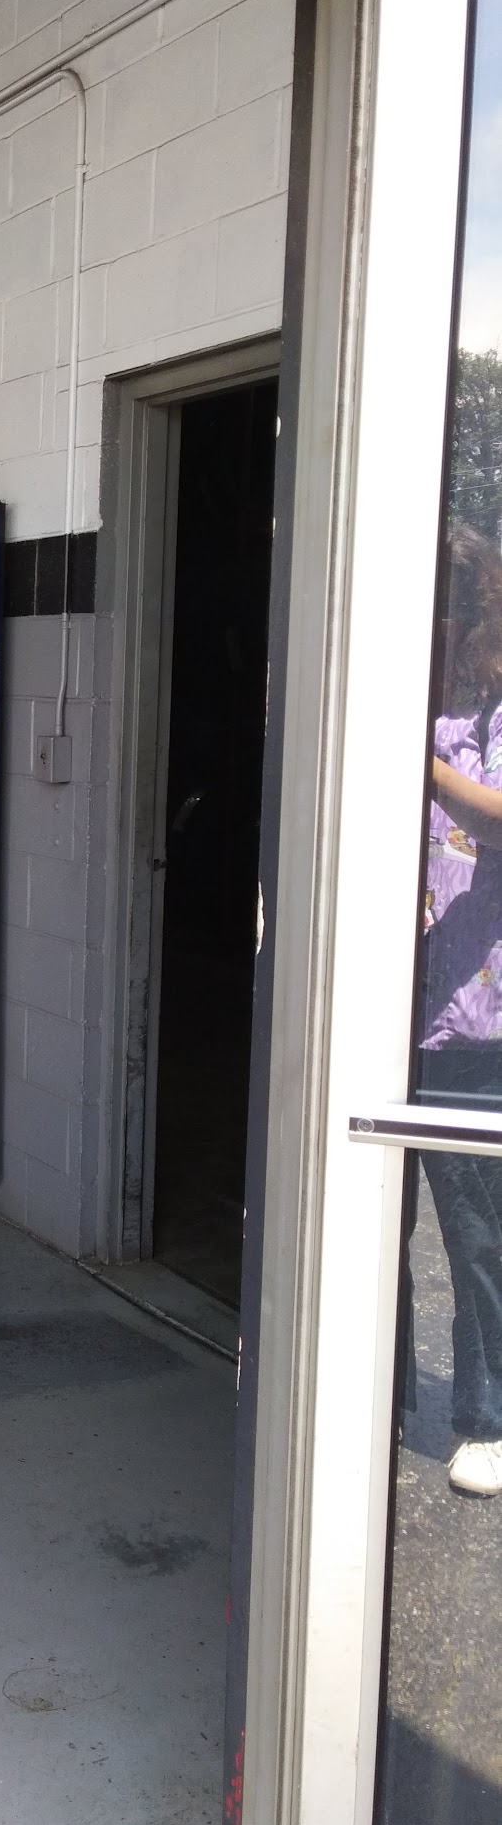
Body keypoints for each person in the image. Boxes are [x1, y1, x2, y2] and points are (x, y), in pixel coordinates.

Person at [418, 524, 502, 1494]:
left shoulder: (483, 712)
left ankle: (486, 1415)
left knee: (477, 1232)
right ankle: (385, 1386)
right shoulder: (405, 695)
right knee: (371, 1216)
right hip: (383, 1003)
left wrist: (421, 764)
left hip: (474, 1015)